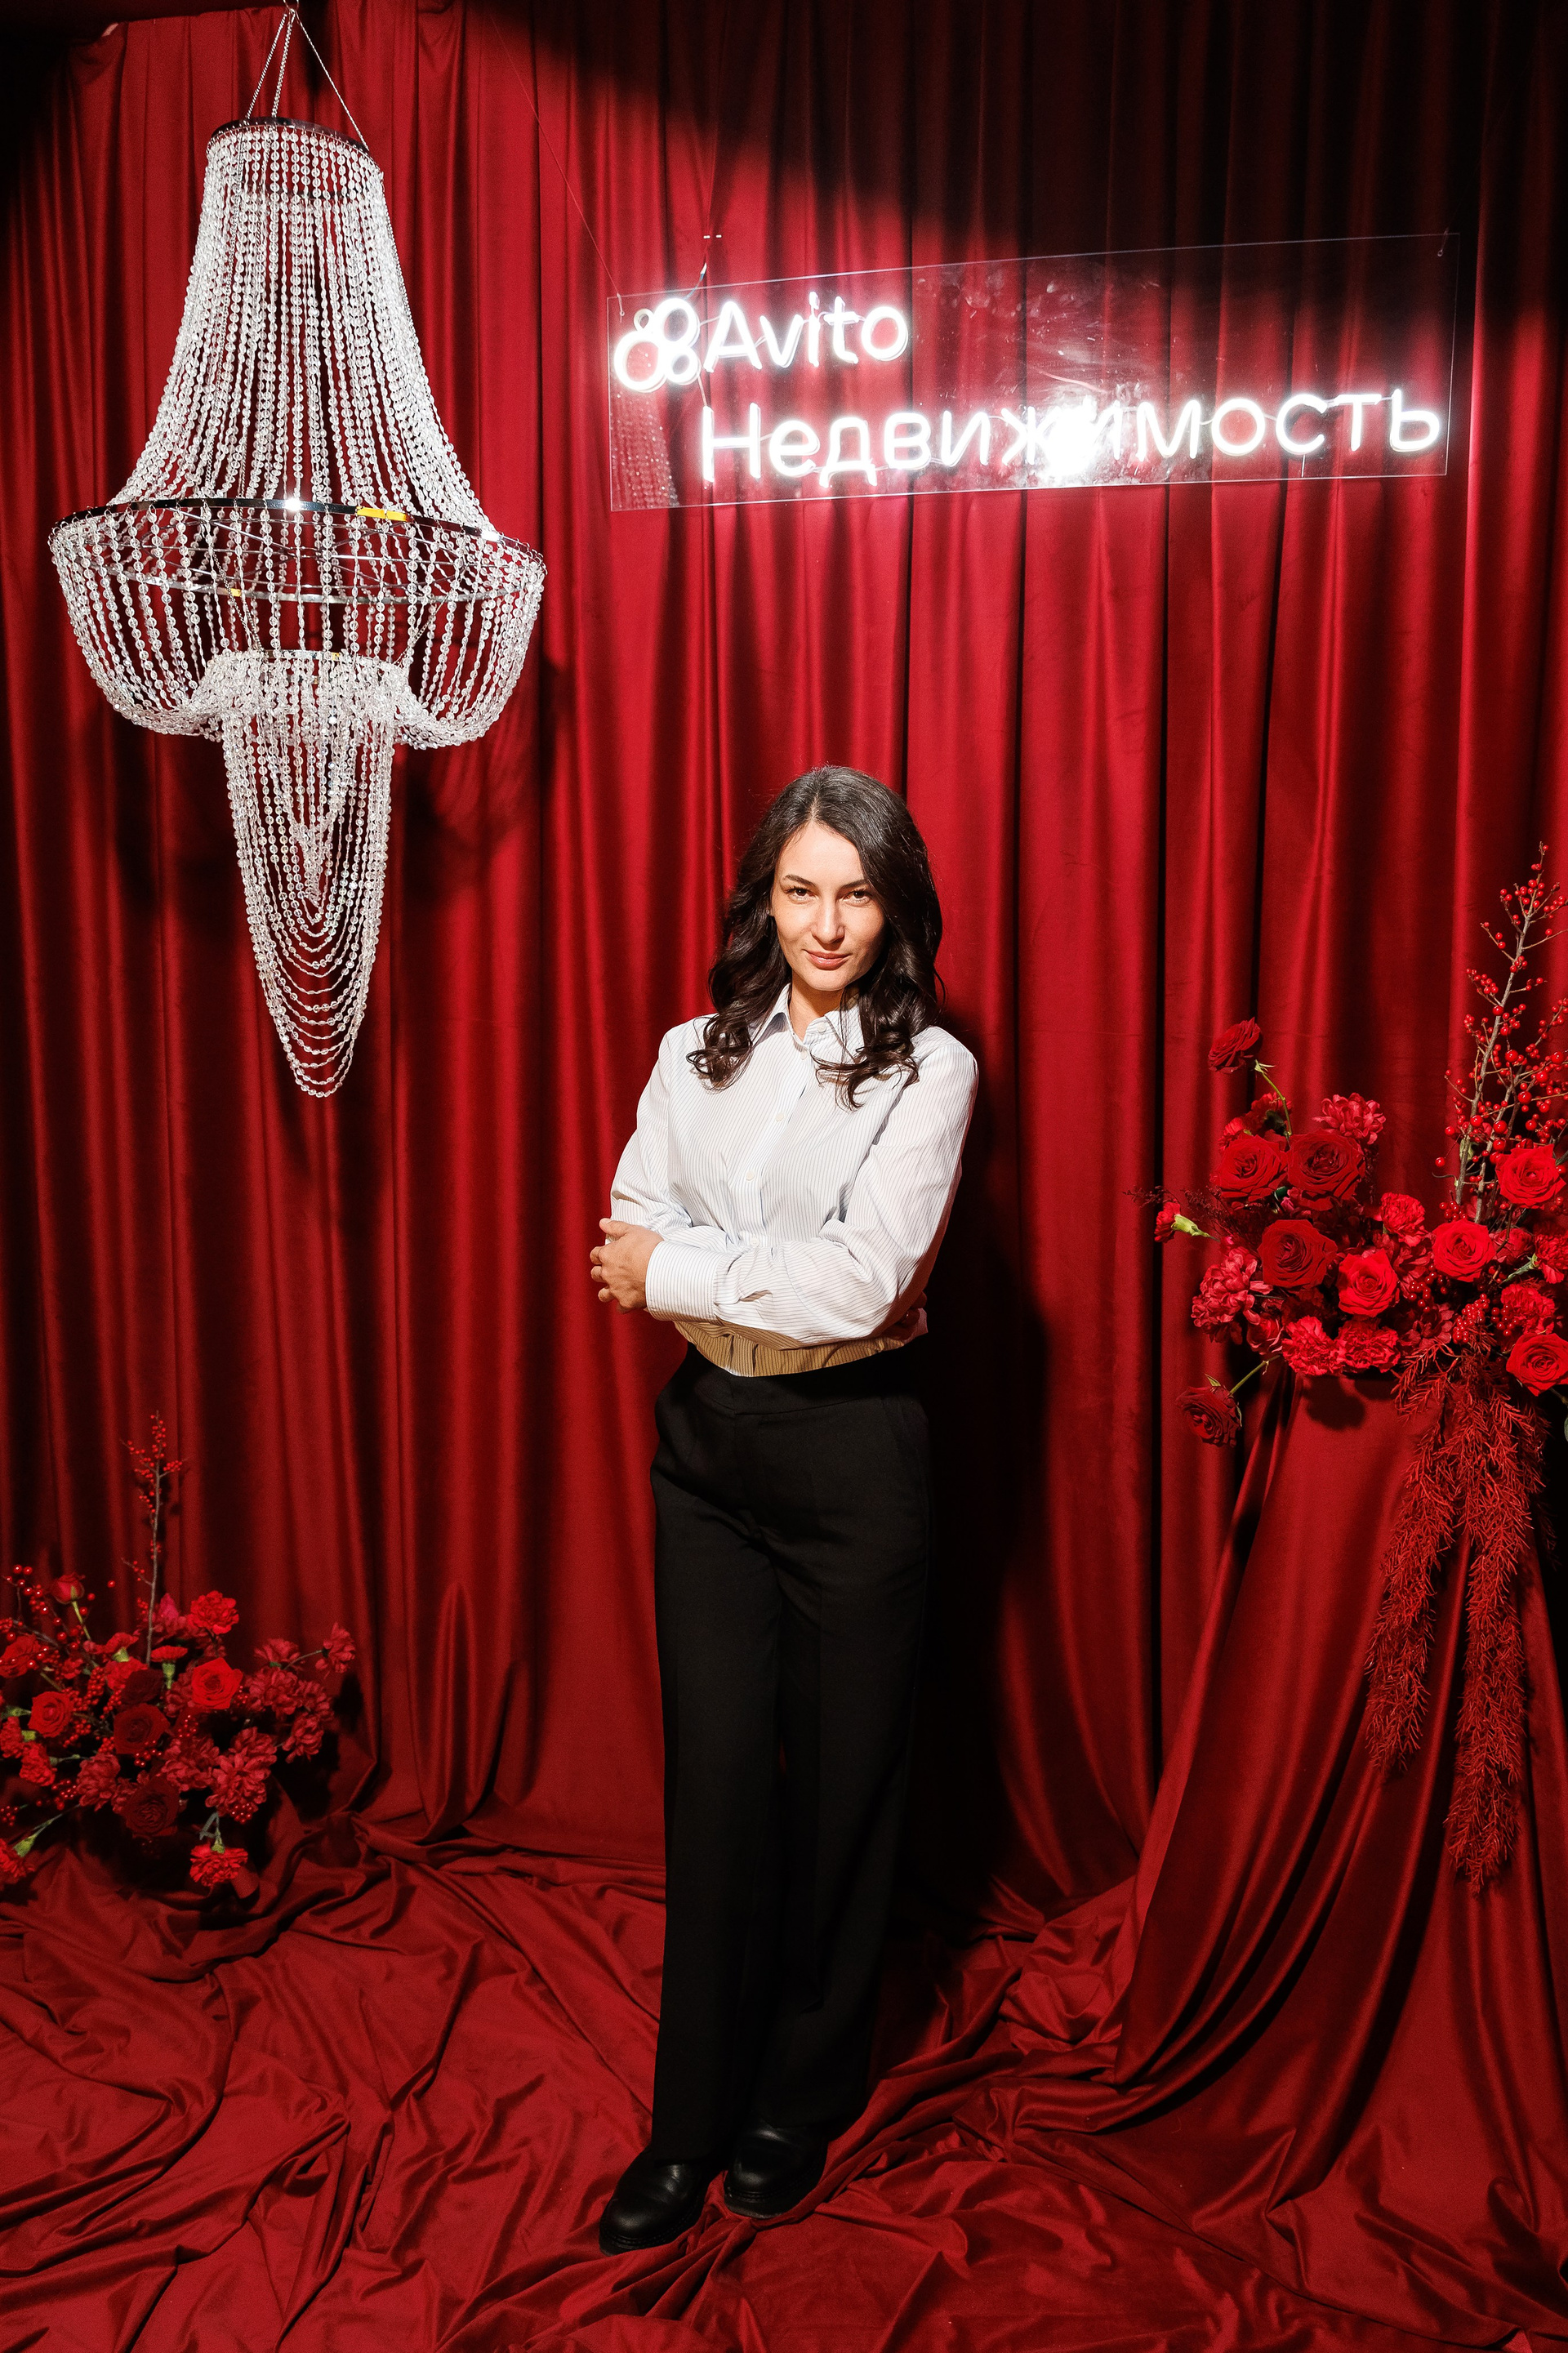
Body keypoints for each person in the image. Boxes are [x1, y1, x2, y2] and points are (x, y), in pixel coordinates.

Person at [589, 764, 978, 2254]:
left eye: (857, 894)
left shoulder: (929, 1071)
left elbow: (864, 1283)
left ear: (895, 908)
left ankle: (796, 2099)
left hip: (853, 1454)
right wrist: (719, 1266)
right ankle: (687, 2119)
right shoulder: (693, 1052)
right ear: (764, 894)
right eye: (802, 889)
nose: (827, 923)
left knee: (841, 1795)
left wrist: (687, 1269)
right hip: (710, 1447)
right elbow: (629, 1219)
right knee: (718, 1791)